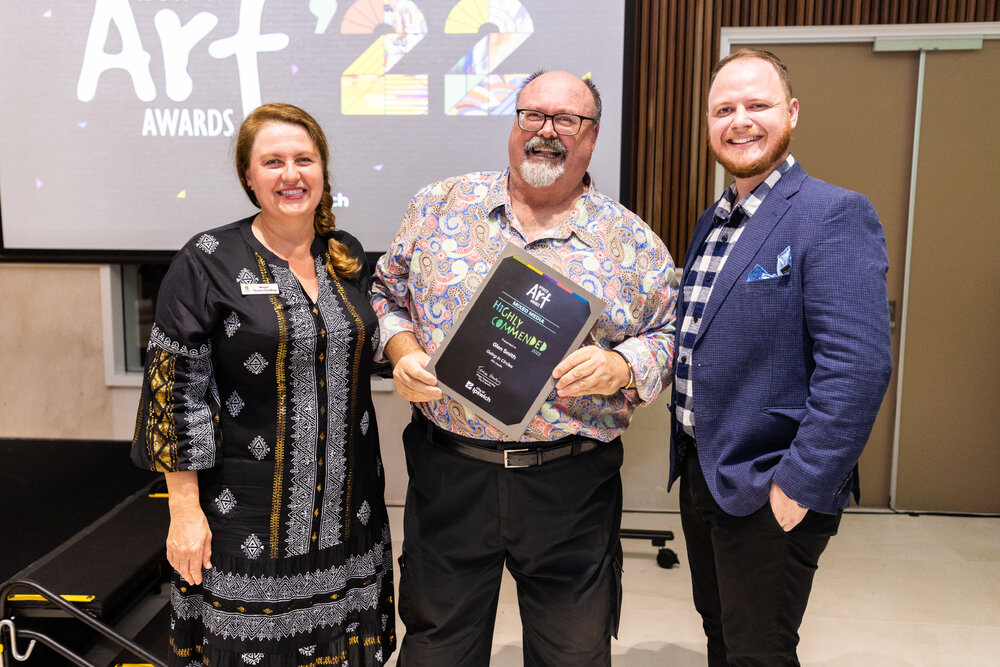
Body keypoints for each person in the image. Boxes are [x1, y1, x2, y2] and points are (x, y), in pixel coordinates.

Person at [371, 70, 677, 665]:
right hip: (449, 473)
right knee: (438, 648)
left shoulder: (632, 242)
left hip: (569, 484)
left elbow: (670, 333)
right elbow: (386, 294)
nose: (546, 132)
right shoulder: (440, 207)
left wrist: (622, 363)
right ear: (515, 124)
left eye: (567, 120)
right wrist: (402, 348)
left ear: (592, 137)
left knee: (572, 653)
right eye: (533, 116)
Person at [131, 103, 396, 666]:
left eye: (304, 159)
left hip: (349, 517)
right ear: (249, 177)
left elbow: (372, 348)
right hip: (244, 520)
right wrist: (183, 510)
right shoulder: (208, 260)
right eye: (272, 162)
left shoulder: (345, 255)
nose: (291, 174)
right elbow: (174, 391)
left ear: (324, 170)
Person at [668, 49, 893, 666]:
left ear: (791, 113)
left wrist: (801, 483)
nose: (740, 120)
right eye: (724, 109)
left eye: (757, 105)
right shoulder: (713, 222)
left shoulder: (833, 214)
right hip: (705, 472)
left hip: (772, 480)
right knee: (723, 637)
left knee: (759, 652)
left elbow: (858, 366)